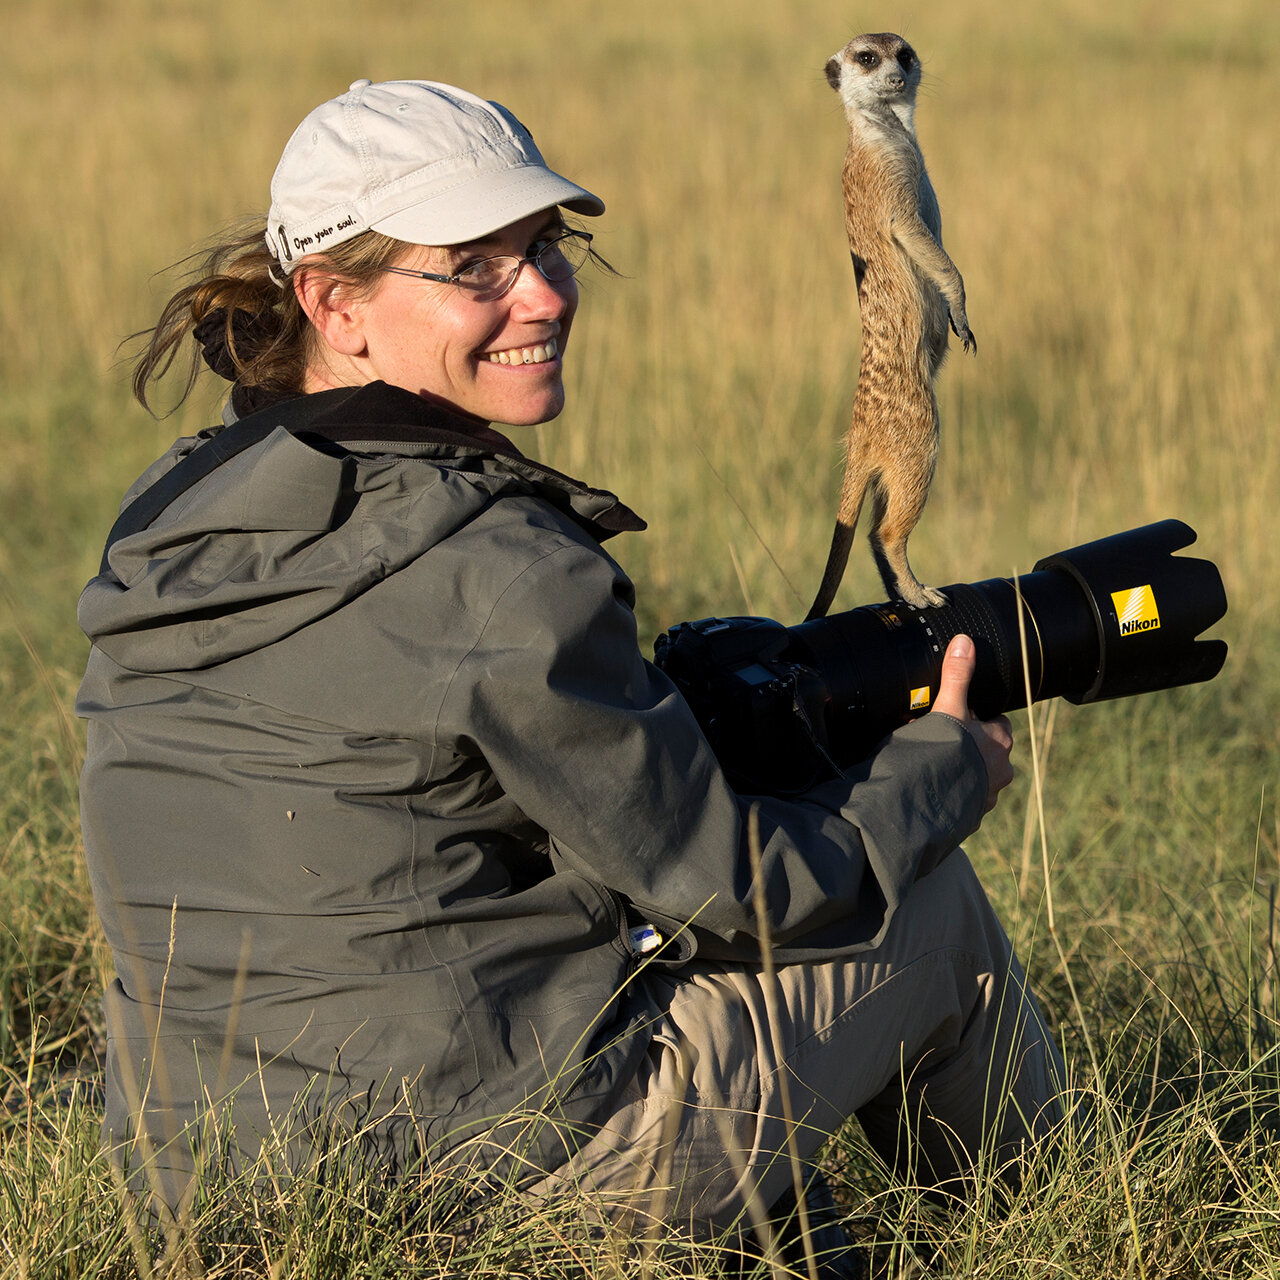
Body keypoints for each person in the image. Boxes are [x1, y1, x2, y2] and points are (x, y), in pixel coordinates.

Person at [77, 78, 1068, 1256]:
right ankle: (1051, 1239)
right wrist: (937, 771)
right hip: (460, 1181)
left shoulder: (172, 509)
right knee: (927, 908)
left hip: (199, 1180)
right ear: (334, 304)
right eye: (475, 267)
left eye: (546, 244)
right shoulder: (498, 565)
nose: (543, 292)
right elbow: (733, 893)